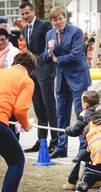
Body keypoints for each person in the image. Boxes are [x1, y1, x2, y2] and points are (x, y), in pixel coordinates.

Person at [44, 7, 92, 159]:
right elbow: (45, 59)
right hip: (61, 79)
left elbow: (76, 54)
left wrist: (57, 59)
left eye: (60, 18)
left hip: (78, 77)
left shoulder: (76, 31)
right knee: (61, 114)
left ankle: (84, 148)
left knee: (80, 113)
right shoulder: (49, 34)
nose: (58, 22)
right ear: (51, 21)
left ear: (64, 18)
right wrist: (50, 51)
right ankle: (61, 147)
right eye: (55, 19)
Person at [19, 1, 58, 154]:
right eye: (22, 14)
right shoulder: (24, 28)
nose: (25, 16)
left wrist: (39, 61)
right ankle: (41, 141)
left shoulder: (45, 25)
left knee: (50, 108)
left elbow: (48, 49)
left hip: (46, 72)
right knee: (39, 109)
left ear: (33, 11)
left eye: (27, 13)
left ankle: (55, 142)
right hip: (33, 73)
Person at [0, 51, 36, 192]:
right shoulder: (27, 80)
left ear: (14, 62)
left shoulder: (2, 72)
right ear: (30, 70)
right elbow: (20, 110)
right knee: (17, 161)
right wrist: (26, 125)